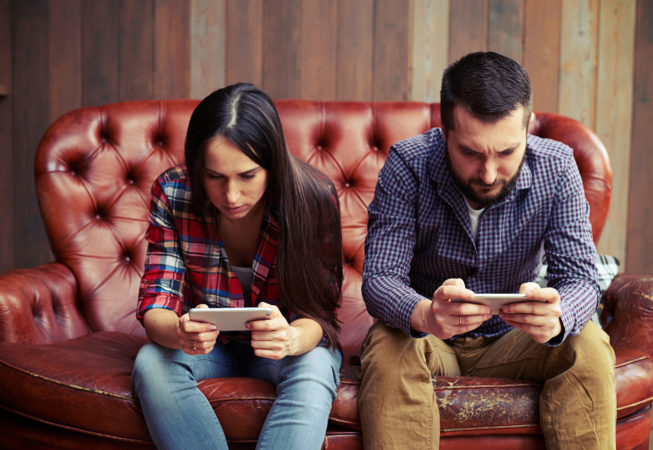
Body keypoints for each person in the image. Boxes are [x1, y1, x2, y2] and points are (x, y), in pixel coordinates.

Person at [358, 51, 616, 449]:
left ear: (527, 130)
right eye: (471, 153)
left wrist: (558, 316)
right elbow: (380, 279)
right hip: (431, 340)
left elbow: (580, 278)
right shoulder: (408, 164)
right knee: (387, 341)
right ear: (445, 134)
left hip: (514, 340)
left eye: (507, 152)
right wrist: (426, 314)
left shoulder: (558, 166)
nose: (489, 173)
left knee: (589, 343)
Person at [132, 83, 343, 450]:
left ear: (272, 165)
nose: (230, 196)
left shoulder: (313, 198)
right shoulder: (173, 192)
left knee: (314, 363)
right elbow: (157, 304)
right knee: (152, 361)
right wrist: (182, 332)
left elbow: (319, 316)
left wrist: (291, 338)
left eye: (247, 176)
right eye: (215, 177)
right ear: (198, 167)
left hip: (281, 350)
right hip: (207, 350)